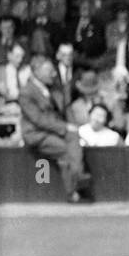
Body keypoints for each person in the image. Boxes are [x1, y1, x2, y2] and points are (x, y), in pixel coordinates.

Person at [20, 54, 91, 202]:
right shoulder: (26, 92)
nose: (53, 73)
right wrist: (65, 127)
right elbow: (38, 120)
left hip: (53, 131)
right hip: (36, 135)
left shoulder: (54, 87)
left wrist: (71, 127)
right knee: (66, 150)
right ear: (36, 71)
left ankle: (77, 177)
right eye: (49, 71)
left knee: (73, 136)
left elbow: (64, 109)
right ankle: (75, 185)